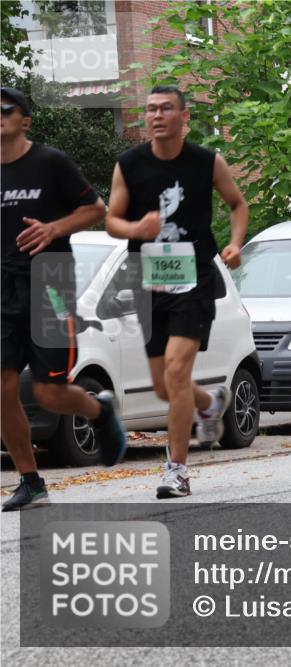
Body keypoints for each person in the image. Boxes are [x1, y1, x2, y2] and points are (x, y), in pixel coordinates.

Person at [105, 86, 248, 498]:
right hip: (148, 279)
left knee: (176, 370)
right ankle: (208, 402)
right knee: (165, 387)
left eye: (167, 109)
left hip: (194, 277)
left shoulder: (207, 162)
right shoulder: (129, 165)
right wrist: (136, 230)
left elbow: (237, 204)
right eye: (151, 109)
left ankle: (176, 471)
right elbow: (112, 220)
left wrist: (236, 243)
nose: (157, 115)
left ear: (184, 117)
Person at [1, 87, 127, 511]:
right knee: (1, 388)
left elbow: (96, 209)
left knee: (50, 392)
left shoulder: (50, 162)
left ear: (25, 120)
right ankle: (30, 481)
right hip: (3, 286)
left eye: (6, 110)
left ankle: (98, 410)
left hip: (49, 282)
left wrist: (54, 229)